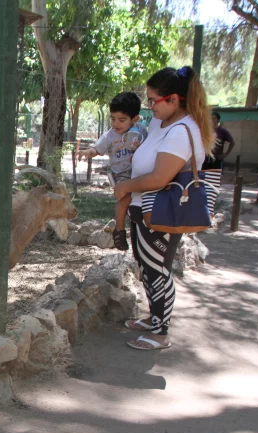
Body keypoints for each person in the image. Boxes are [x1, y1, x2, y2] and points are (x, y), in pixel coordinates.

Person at [113, 66, 214, 351]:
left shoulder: (182, 131)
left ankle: (160, 333)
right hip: (143, 209)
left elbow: (160, 177)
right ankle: (153, 318)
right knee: (147, 266)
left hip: (162, 212)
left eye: (153, 100)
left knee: (158, 269)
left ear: (173, 99)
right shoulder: (162, 123)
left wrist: (126, 186)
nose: (149, 106)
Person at [79, 92, 147, 251]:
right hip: (121, 175)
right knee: (125, 198)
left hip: (139, 171)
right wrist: (90, 152)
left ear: (134, 119)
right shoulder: (110, 135)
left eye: (121, 120)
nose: (116, 123)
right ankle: (120, 230)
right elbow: (98, 148)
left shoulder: (141, 130)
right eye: (113, 118)